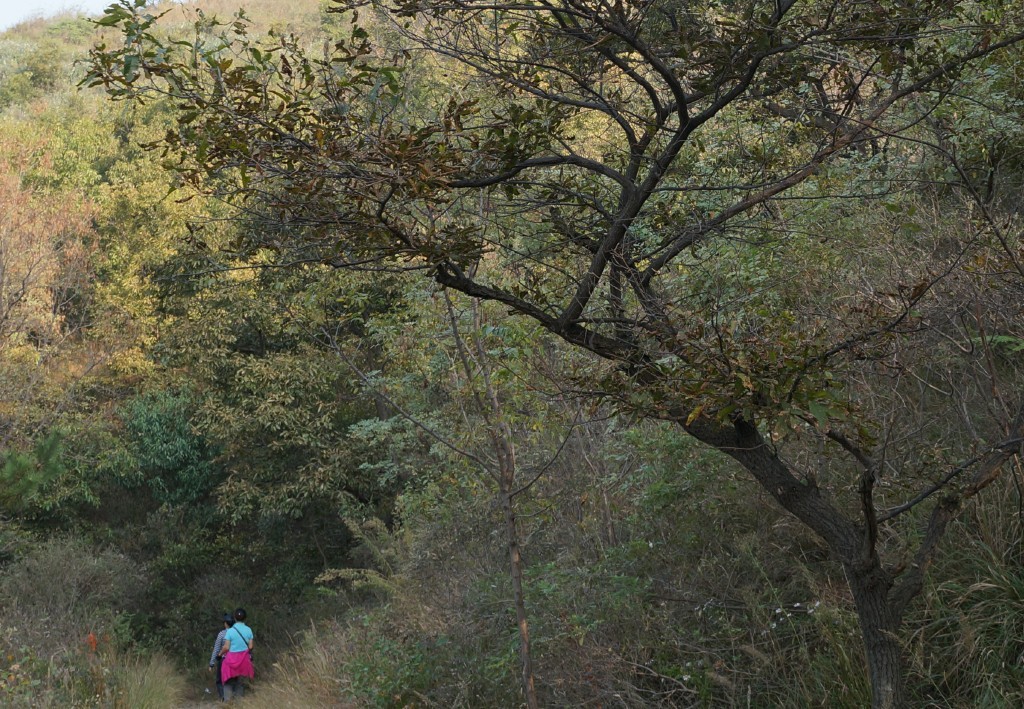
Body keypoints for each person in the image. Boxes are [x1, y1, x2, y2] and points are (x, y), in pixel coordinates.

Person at [220, 607, 255, 700]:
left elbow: (226, 647)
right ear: (245, 618)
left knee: (228, 684)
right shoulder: (249, 630)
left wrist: (220, 654)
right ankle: (239, 704)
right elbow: (251, 646)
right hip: (244, 662)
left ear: (234, 618)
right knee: (240, 684)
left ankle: (228, 703)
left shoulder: (230, 631)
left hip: (230, 662)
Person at [208, 613, 234, 700]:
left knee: (219, 680)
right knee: (233, 680)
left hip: (224, 659)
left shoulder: (222, 634)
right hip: (236, 659)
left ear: (226, 623)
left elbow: (216, 649)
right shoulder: (236, 633)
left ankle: (223, 697)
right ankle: (233, 698)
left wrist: (211, 663)